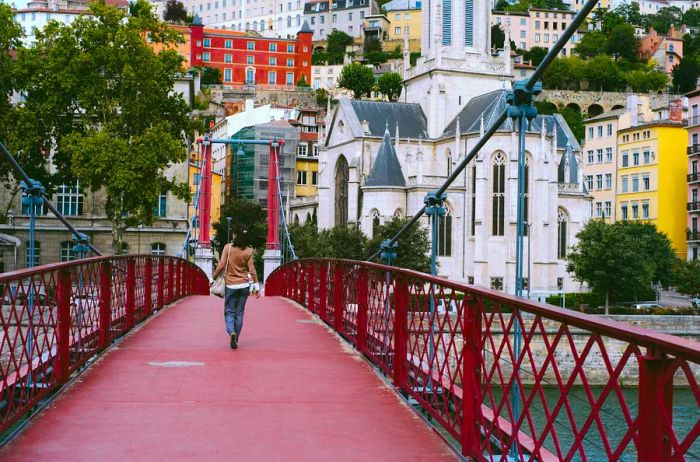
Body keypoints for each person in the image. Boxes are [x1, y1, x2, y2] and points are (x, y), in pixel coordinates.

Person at [212, 233, 260, 349]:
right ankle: (236, 337)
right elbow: (252, 269)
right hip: (244, 286)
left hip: (231, 285)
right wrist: (257, 286)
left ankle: (231, 332)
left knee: (229, 312)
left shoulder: (227, 247)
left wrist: (213, 277)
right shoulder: (249, 250)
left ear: (234, 235)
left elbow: (222, 264)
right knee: (240, 312)